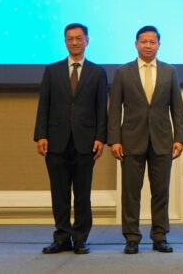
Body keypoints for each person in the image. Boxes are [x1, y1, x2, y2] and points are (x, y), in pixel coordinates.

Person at [108, 25, 183, 254]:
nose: (148, 45)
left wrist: (180, 138)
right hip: (131, 140)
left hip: (162, 140)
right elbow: (115, 109)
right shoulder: (123, 72)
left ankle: (159, 237)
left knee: (161, 192)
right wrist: (114, 140)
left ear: (159, 45)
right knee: (131, 192)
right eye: (144, 41)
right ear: (136, 44)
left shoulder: (170, 72)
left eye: (152, 42)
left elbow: (177, 108)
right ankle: (132, 237)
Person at [33, 23, 108, 255]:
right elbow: (44, 105)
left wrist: (101, 137)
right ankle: (62, 238)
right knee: (60, 193)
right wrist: (41, 135)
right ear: (65, 42)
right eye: (70, 38)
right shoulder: (52, 70)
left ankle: (80, 238)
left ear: (87, 41)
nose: (74, 42)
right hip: (56, 141)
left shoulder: (98, 72)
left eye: (78, 38)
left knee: (82, 195)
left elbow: (101, 108)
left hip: (86, 142)